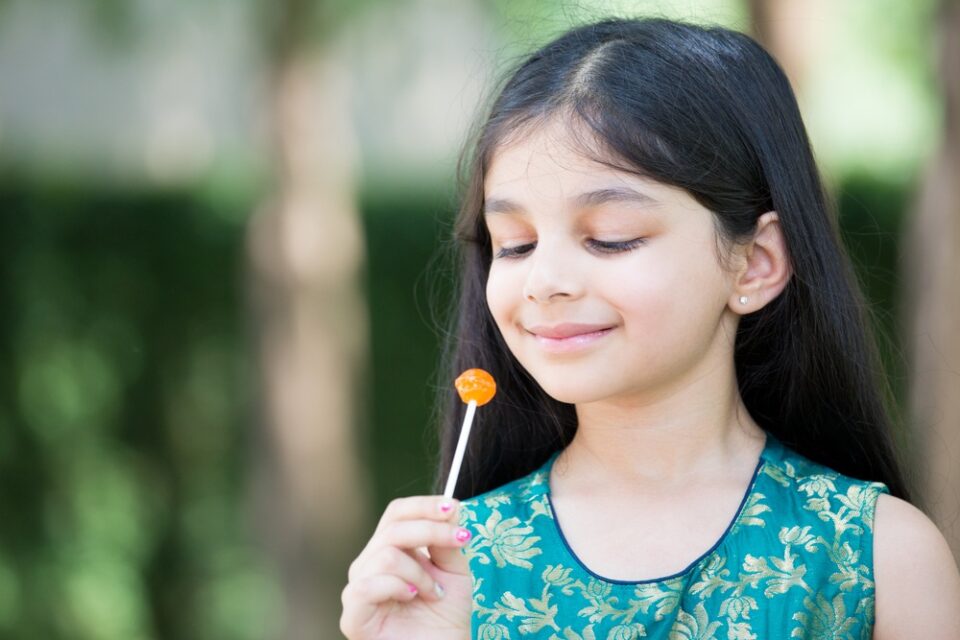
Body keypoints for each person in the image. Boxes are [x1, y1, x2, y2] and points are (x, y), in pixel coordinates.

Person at [340, 17, 960, 639]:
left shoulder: (877, 559)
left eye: (611, 237)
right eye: (516, 243)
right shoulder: (448, 570)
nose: (544, 281)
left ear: (756, 261)